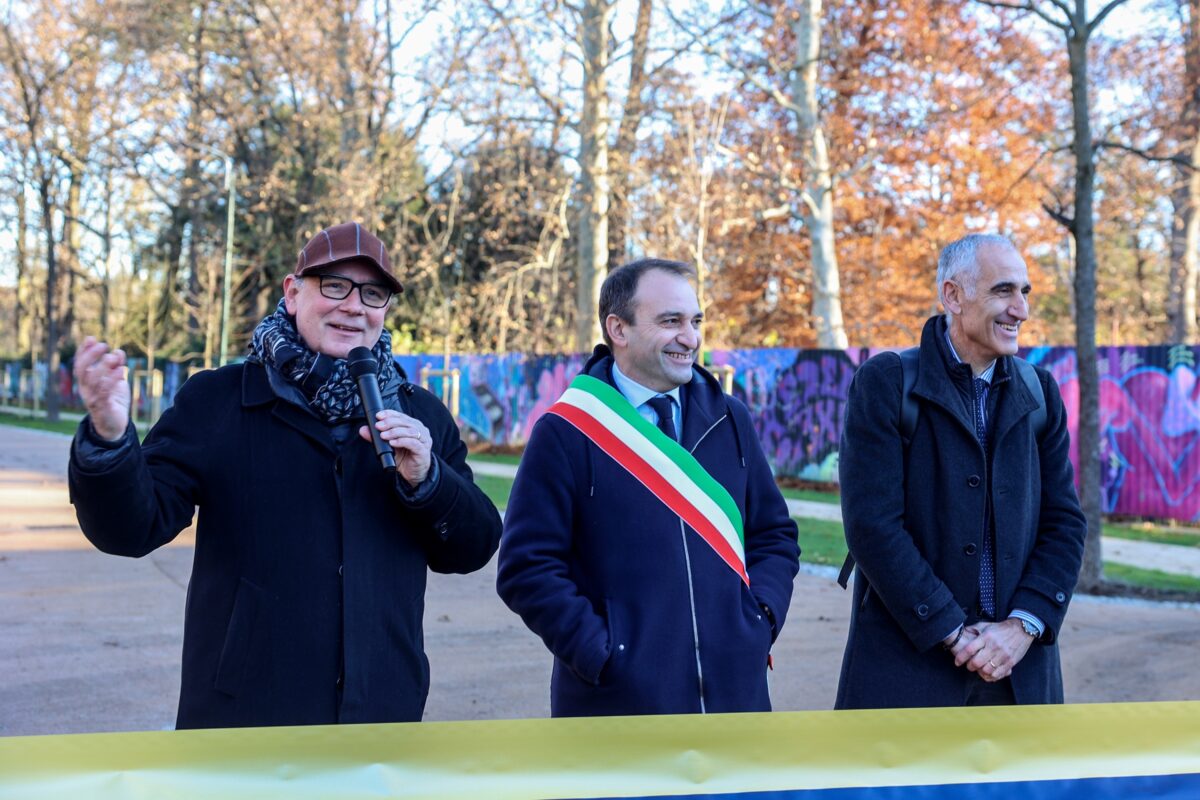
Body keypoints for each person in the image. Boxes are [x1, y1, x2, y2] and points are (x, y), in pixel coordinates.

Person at [68, 221, 502, 729]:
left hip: (382, 721)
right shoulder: (218, 401)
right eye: (334, 286)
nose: (354, 306)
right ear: (293, 294)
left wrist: (428, 481)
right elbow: (131, 528)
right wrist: (109, 437)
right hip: (246, 724)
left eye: (373, 293)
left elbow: (473, 547)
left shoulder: (419, 416)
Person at [497, 258, 799, 717]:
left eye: (695, 321)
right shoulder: (566, 430)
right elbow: (527, 567)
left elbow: (774, 535)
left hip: (735, 701)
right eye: (670, 321)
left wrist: (759, 620)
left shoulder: (730, 418)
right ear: (618, 328)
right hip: (616, 709)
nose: (691, 338)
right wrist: (604, 654)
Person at [835, 233, 1087, 708]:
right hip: (908, 677)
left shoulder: (1042, 392)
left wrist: (1021, 627)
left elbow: (1065, 522)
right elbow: (872, 526)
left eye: (1025, 292)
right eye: (1003, 291)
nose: (1021, 310)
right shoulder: (887, 383)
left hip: (1019, 676)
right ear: (953, 295)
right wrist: (955, 634)